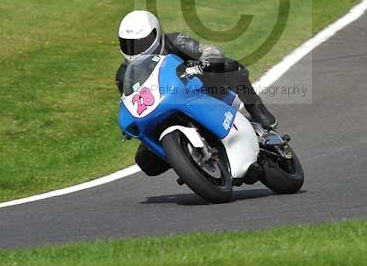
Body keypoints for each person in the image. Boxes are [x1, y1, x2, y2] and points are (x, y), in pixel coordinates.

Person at [115, 10, 277, 177]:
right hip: (164, 109)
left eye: (141, 42)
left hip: (203, 92)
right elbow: (131, 101)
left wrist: (207, 61)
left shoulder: (173, 41)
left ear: (156, 35)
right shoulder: (124, 75)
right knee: (145, 161)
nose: (134, 49)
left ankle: (258, 112)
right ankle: (188, 160)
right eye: (128, 44)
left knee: (229, 67)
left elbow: (206, 49)